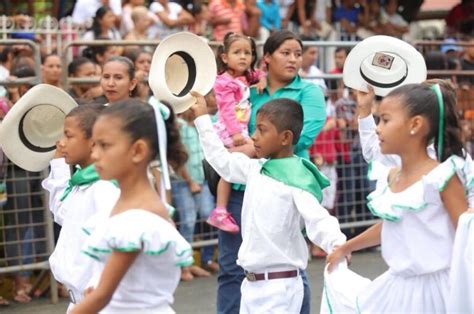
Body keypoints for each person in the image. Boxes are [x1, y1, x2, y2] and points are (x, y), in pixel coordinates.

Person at [192, 93, 346, 313]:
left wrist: (337, 244)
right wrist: (202, 119)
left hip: (279, 288)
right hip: (250, 284)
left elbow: (319, 219)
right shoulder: (256, 169)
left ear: (285, 138)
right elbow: (221, 161)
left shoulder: (297, 179)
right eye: (255, 129)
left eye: (262, 130)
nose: (253, 136)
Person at [326, 83, 468, 312]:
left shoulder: (442, 177)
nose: (379, 129)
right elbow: (397, 225)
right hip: (398, 287)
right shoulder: (393, 176)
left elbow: (467, 238)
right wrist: (346, 246)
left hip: (438, 290)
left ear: (415, 125)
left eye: (385, 120)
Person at [215, 30, 326, 314]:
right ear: (266, 58)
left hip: (284, 188)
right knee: (231, 267)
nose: (292, 59)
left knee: (286, 264)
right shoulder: (249, 91)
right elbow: (229, 126)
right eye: (285, 53)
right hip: (243, 187)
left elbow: (303, 136)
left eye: (297, 54)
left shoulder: (309, 91)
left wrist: (242, 152)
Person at [70, 99, 193, 313]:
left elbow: (103, 296)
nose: (95, 154)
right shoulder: (126, 205)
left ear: (138, 150)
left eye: (105, 145)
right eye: (94, 144)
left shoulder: (139, 217)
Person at [42, 104, 120, 312]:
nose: (61, 142)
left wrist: (96, 292)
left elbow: (111, 246)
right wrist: (58, 164)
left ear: (93, 140)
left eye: (69, 136)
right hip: (81, 301)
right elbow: (63, 213)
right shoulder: (84, 182)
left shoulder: (104, 186)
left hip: (98, 302)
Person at [208, 33, 264, 234]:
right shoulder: (223, 81)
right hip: (229, 130)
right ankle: (220, 211)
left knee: (235, 165)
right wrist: (234, 133)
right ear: (224, 57)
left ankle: (221, 209)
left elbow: (260, 74)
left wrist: (262, 79)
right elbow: (226, 109)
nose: (243, 57)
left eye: (247, 53)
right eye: (237, 52)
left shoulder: (244, 77)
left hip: (238, 129)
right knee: (233, 165)